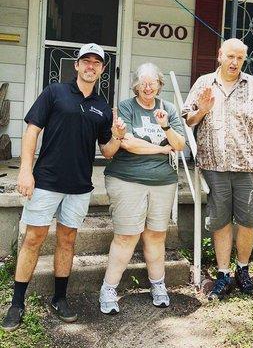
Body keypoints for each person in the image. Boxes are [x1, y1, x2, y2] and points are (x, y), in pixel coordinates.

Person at [1, 43, 126, 331]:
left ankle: (59, 298)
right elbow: (32, 130)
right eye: (86, 61)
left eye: (97, 62)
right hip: (46, 180)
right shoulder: (54, 92)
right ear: (77, 65)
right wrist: (25, 172)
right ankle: (17, 303)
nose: (91, 66)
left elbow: (106, 152)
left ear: (103, 69)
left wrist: (118, 137)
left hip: (80, 185)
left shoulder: (102, 107)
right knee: (34, 238)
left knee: (67, 240)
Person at [182, 38, 253, 300]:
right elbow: (188, 121)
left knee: (248, 221)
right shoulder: (203, 83)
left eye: (239, 58)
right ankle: (223, 274)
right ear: (220, 56)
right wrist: (202, 109)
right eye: (230, 56)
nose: (234, 62)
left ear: (243, 60)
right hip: (214, 166)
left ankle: (243, 270)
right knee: (220, 221)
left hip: (247, 165)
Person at [99, 63, 185, 314]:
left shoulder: (168, 109)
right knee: (127, 236)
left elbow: (179, 145)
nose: (148, 87)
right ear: (136, 85)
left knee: (156, 235)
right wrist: (160, 148)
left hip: (163, 182)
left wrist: (166, 127)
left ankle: (158, 285)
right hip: (127, 179)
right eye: (143, 83)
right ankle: (109, 288)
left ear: (160, 84)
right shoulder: (126, 107)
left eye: (153, 82)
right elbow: (129, 143)